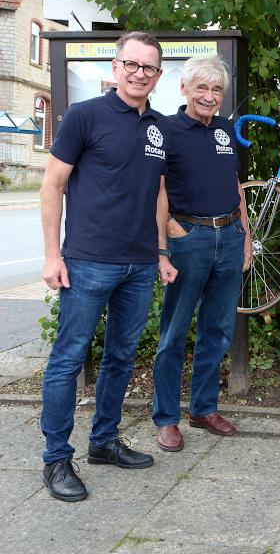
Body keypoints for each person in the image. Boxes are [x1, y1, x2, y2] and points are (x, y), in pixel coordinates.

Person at [39, 32, 176, 502]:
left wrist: (160, 253)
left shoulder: (158, 126)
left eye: (149, 68)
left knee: (121, 358)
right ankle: (57, 458)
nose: (140, 74)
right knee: (68, 359)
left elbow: (158, 193)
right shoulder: (85, 116)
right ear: (116, 67)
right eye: (132, 65)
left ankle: (103, 442)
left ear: (159, 76)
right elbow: (52, 185)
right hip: (87, 262)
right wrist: (53, 255)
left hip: (139, 264)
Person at [152, 55, 252, 452]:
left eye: (216, 90)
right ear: (184, 89)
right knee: (174, 332)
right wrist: (167, 237)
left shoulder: (226, 129)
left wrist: (245, 234)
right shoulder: (167, 129)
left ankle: (203, 408)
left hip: (228, 237)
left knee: (219, 329)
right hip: (187, 238)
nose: (209, 96)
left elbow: (236, 183)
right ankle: (165, 418)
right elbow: (155, 189)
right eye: (202, 88)